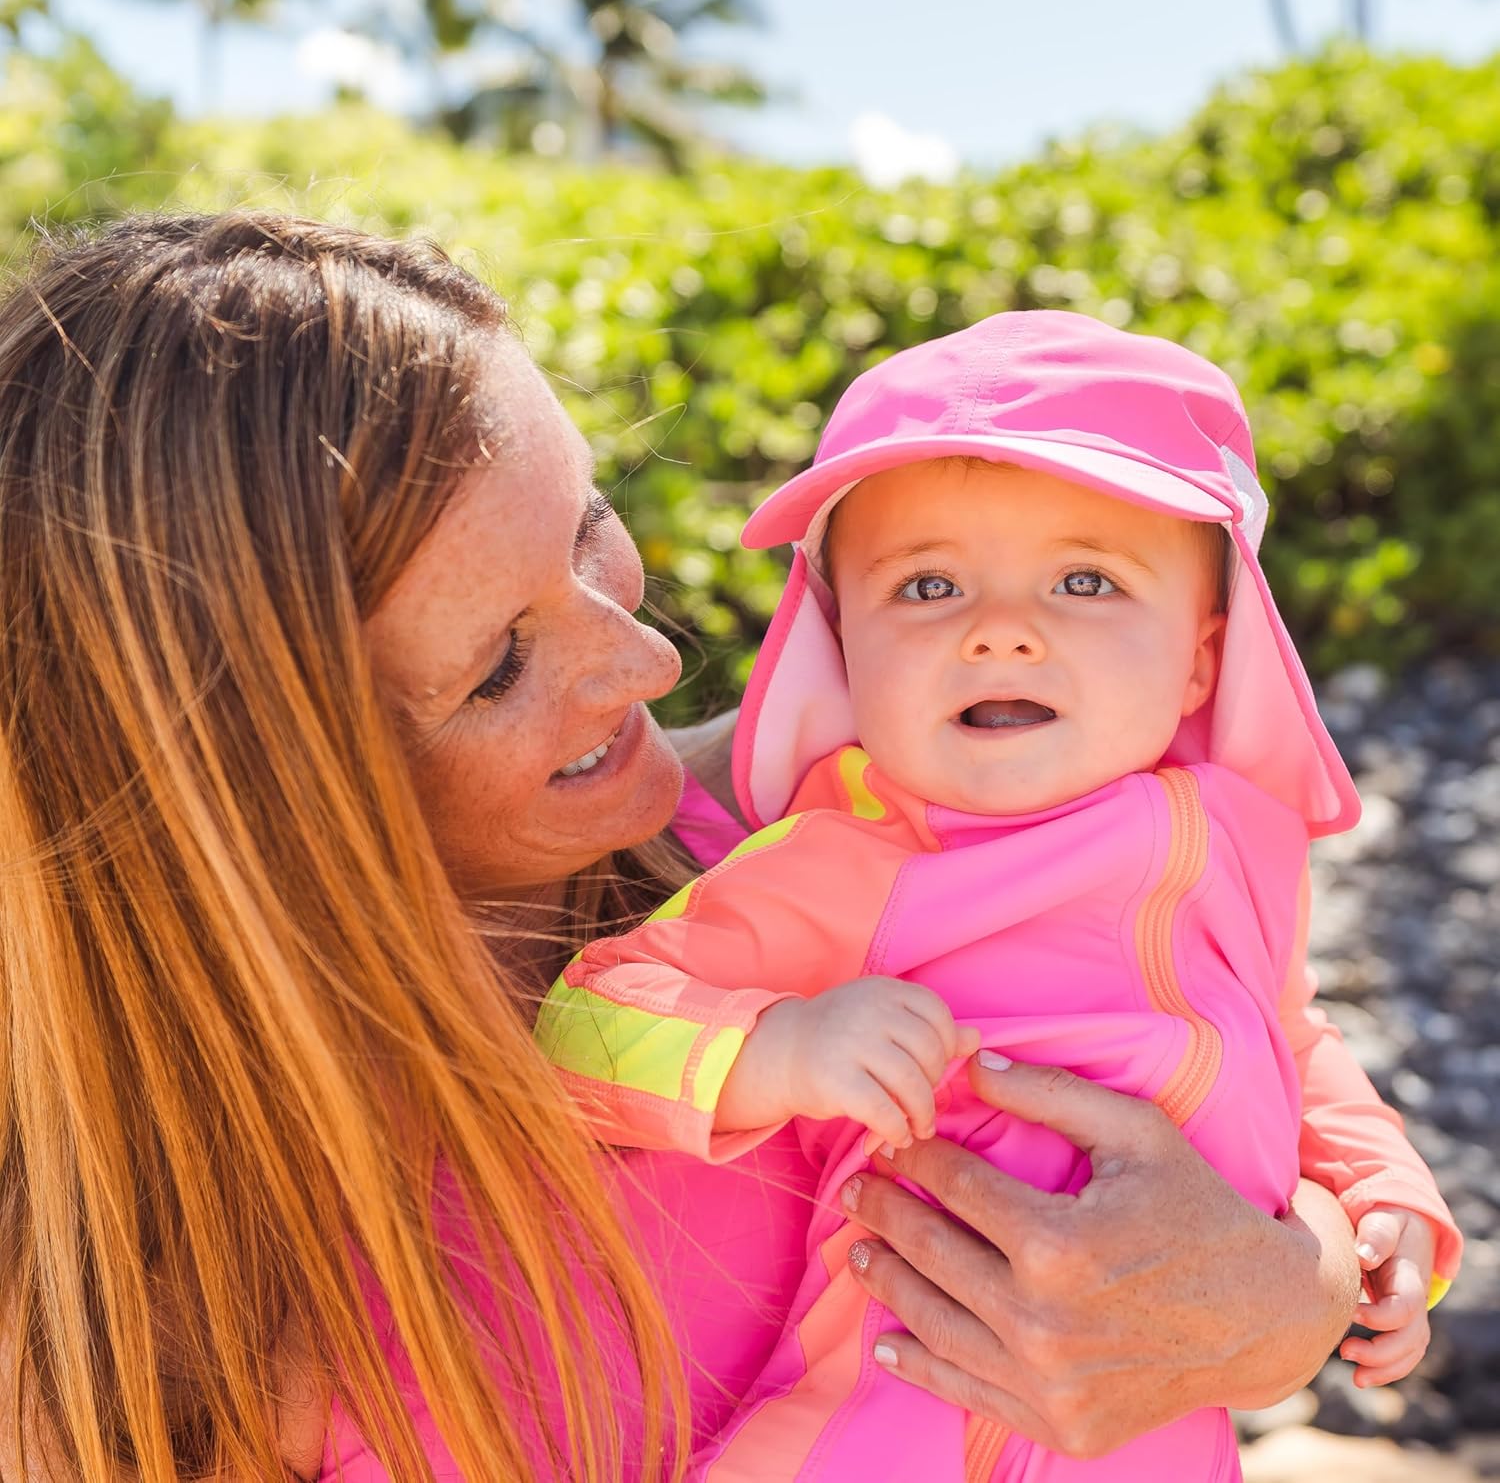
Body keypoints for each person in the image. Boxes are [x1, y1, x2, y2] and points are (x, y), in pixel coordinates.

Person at [0, 214, 1365, 1483]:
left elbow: (1249, 1042)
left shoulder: (824, 813)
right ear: (263, 798)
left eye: (593, 533)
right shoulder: (170, 1332)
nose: (648, 661)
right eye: (498, 671)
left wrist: (1286, 1303)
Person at [537, 313, 1462, 1481]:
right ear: (844, 649)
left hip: (1153, 1429)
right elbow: (582, 1023)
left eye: (1086, 580)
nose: (1000, 633)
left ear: (1201, 657)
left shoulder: (1240, 846)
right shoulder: (859, 861)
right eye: (927, 585)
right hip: (889, 1414)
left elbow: (1290, 1032)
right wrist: (778, 1046)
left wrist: (1379, 1189)